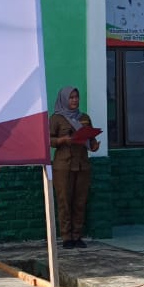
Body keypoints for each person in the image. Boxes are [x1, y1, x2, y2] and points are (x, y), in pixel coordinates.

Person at [49, 86, 100, 249]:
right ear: (64, 99)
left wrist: (94, 146)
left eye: (76, 97)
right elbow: (47, 140)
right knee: (64, 201)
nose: (75, 100)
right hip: (63, 166)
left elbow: (90, 139)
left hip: (83, 165)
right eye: (71, 98)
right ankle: (66, 237)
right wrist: (62, 140)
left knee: (80, 201)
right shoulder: (56, 118)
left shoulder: (84, 117)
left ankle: (77, 235)